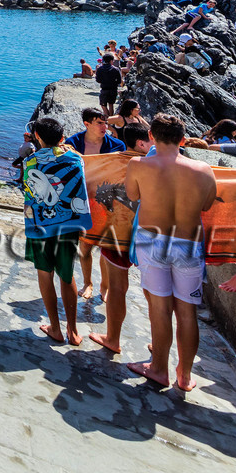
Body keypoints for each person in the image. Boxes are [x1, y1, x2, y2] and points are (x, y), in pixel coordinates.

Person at [124, 115, 217, 391]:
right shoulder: (203, 169)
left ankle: (159, 369)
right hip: (188, 243)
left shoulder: (138, 164)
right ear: (184, 140)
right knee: (187, 313)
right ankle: (185, 376)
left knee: (159, 309)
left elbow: (132, 195)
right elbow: (208, 204)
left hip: (151, 240)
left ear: (151, 136)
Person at [19, 117, 90, 345]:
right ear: (62, 138)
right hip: (69, 224)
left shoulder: (29, 162)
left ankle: (55, 328)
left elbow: (30, 196)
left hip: (40, 225)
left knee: (44, 273)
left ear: (37, 137)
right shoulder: (76, 159)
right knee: (67, 276)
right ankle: (73, 331)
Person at [86, 122, 150, 354]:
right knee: (154, 292)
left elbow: (87, 178)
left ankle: (113, 339)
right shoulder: (156, 165)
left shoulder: (108, 161)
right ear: (141, 143)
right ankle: (158, 341)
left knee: (117, 287)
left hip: (117, 235)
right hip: (151, 235)